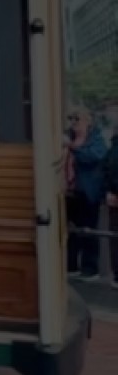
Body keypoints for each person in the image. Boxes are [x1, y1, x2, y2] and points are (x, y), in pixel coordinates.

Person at [65, 108, 107, 282]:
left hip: (88, 190)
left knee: (89, 230)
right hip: (70, 190)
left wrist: (73, 149)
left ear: (88, 122)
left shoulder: (96, 139)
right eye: (73, 120)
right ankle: (71, 265)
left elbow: (94, 156)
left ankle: (90, 268)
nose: (75, 124)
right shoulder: (68, 137)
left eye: (78, 120)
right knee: (71, 230)